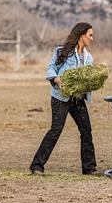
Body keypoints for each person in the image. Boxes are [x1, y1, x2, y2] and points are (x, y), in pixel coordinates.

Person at [30, 22, 97, 175]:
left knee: (86, 130)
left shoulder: (89, 58)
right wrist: (56, 79)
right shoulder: (62, 51)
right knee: (56, 130)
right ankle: (37, 166)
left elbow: (87, 78)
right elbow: (51, 68)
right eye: (90, 35)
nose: (92, 38)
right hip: (60, 98)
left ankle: (89, 168)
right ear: (81, 36)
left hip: (77, 98)